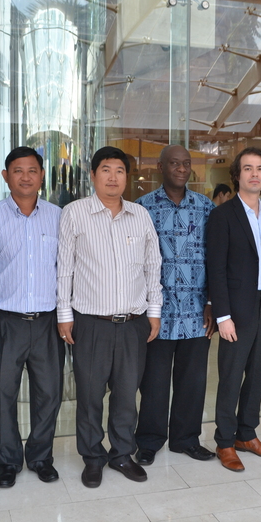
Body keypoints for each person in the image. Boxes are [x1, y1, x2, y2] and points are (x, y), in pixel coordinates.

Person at [56, 146, 162, 488]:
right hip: (91, 324)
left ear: (127, 177)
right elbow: (65, 269)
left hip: (133, 322)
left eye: (119, 170)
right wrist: (64, 314)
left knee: (126, 394)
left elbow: (152, 268)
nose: (113, 177)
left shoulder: (140, 215)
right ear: (92, 175)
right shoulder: (74, 214)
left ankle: (120, 453)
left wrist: (154, 312)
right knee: (89, 395)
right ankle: (92, 456)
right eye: (105, 169)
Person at [0, 147, 64, 489]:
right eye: (18, 170)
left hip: (48, 321)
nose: (26, 176)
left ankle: (41, 457)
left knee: (50, 394)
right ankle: (8, 461)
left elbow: (67, 270)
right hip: (5, 320)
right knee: (3, 395)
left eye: (32, 170)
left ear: (42, 175)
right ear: (5, 176)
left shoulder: (59, 216)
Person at [134, 145, 216, 466]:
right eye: (174, 163)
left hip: (197, 312)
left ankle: (186, 439)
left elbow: (216, 259)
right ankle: (150, 441)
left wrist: (212, 301)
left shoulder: (206, 207)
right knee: (153, 381)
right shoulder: (143, 209)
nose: (181, 169)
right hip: (157, 313)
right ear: (161, 167)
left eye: (186, 164)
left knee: (193, 380)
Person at [207, 147, 261, 472]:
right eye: (248, 168)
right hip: (237, 309)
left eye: (260, 169)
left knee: (259, 372)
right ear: (237, 175)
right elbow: (216, 268)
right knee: (231, 375)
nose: (255, 174)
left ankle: (246, 434)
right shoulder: (223, 215)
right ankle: (225, 441)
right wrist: (222, 315)